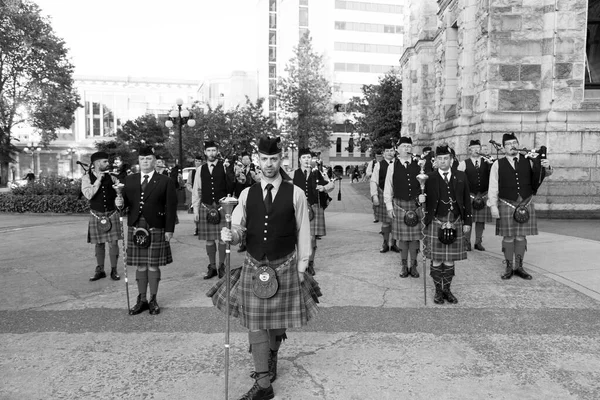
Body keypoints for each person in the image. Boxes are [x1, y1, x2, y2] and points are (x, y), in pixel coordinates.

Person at [207, 135, 320, 400]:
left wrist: (303, 265)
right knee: (256, 323)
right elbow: (238, 228)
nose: (269, 164)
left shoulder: (297, 193)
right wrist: (230, 236)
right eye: (264, 159)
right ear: (258, 161)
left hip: (285, 264)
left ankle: (272, 356)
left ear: (281, 159)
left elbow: (304, 230)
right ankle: (263, 382)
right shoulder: (246, 194)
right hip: (255, 264)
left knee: (277, 323)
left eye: (274, 159)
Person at [115, 146, 178, 315]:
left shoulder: (165, 181)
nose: (145, 161)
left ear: (155, 161)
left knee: (153, 265)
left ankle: (153, 299)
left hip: (156, 225)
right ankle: (141, 299)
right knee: (140, 265)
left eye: (148, 158)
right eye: (142, 159)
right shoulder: (130, 180)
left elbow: (171, 208)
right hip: (136, 225)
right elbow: (126, 205)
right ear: (138, 161)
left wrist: (169, 229)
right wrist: (120, 204)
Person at [488, 132, 552, 280]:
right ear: (503, 148)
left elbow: (542, 174)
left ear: (518, 144)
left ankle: (519, 266)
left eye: (514, 143)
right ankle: (509, 266)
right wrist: (493, 206)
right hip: (506, 203)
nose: (512, 146)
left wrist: (547, 167)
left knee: (521, 236)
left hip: (526, 202)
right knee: (508, 236)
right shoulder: (498, 164)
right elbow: (493, 187)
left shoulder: (529, 160)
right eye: (509, 144)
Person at [419, 145, 472, 304]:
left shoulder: (461, 176)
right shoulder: (428, 177)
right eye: (439, 159)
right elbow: (420, 198)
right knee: (436, 259)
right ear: (435, 161)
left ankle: (447, 290)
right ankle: (437, 291)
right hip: (436, 222)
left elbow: (466, 201)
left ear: (451, 159)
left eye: (446, 158)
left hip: (455, 221)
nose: (443, 161)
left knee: (449, 260)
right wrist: (419, 199)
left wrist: (467, 222)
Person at [384, 137, 429, 278]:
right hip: (399, 205)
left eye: (409, 146)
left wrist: (424, 197)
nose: (407, 148)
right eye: (404, 146)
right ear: (398, 148)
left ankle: (414, 265)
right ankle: (404, 266)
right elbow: (388, 187)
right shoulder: (392, 166)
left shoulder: (419, 165)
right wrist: (389, 207)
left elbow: (426, 186)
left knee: (415, 239)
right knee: (403, 239)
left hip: (416, 205)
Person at [192, 141, 234, 280]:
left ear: (217, 151)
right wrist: (196, 210)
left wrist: (229, 171)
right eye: (209, 150)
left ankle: (222, 266)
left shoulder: (224, 166)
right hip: (206, 206)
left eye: (213, 150)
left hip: (222, 207)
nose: (211, 153)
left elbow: (231, 186)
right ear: (205, 152)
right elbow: (197, 190)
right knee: (209, 239)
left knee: (223, 239)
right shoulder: (200, 169)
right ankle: (212, 267)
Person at [81, 151, 123, 282]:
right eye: (105, 161)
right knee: (99, 244)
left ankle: (114, 270)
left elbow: (120, 194)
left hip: (112, 213)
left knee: (114, 243)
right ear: (97, 163)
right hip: (97, 214)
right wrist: (98, 180)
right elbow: (88, 194)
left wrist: (120, 198)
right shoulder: (86, 178)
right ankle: (100, 269)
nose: (107, 163)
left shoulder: (113, 177)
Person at [292, 148, 334, 275]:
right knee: (297, 238)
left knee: (311, 239)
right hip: (298, 208)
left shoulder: (317, 173)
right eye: (304, 157)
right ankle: (299, 263)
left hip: (315, 208)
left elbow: (331, 185)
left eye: (309, 157)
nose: (306, 160)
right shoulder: (294, 174)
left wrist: (323, 187)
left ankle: (310, 263)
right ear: (300, 160)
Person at [458, 140, 493, 251]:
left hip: (483, 195)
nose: (476, 150)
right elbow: (459, 180)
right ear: (469, 150)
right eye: (473, 148)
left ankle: (478, 242)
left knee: (480, 221)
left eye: (478, 148)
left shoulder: (487, 162)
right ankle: (466, 242)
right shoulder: (463, 163)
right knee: (468, 219)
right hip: (470, 195)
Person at [371, 143, 400, 253]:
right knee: (386, 221)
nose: (389, 152)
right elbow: (374, 181)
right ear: (383, 153)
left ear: (395, 152)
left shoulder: (398, 164)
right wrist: (374, 196)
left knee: (395, 221)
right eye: (387, 151)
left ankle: (394, 243)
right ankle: (385, 243)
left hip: (396, 196)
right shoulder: (379, 165)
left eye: (391, 150)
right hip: (383, 194)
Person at [186, 154, 203, 236]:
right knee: (195, 211)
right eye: (196, 161)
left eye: (199, 161)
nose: (197, 162)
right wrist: (192, 190)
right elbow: (188, 184)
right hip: (194, 194)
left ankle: (202, 227)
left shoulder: (204, 171)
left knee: (202, 211)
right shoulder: (191, 173)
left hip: (203, 194)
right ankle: (196, 227)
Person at [366, 151, 384, 223]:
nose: (379, 157)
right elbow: (368, 172)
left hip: (383, 184)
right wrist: (374, 173)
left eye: (380, 156)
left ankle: (383, 216)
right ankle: (376, 216)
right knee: (375, 200)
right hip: (375, 183)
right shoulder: (372, 163)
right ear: (376, 156)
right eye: (378, 156)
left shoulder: (385, 163)